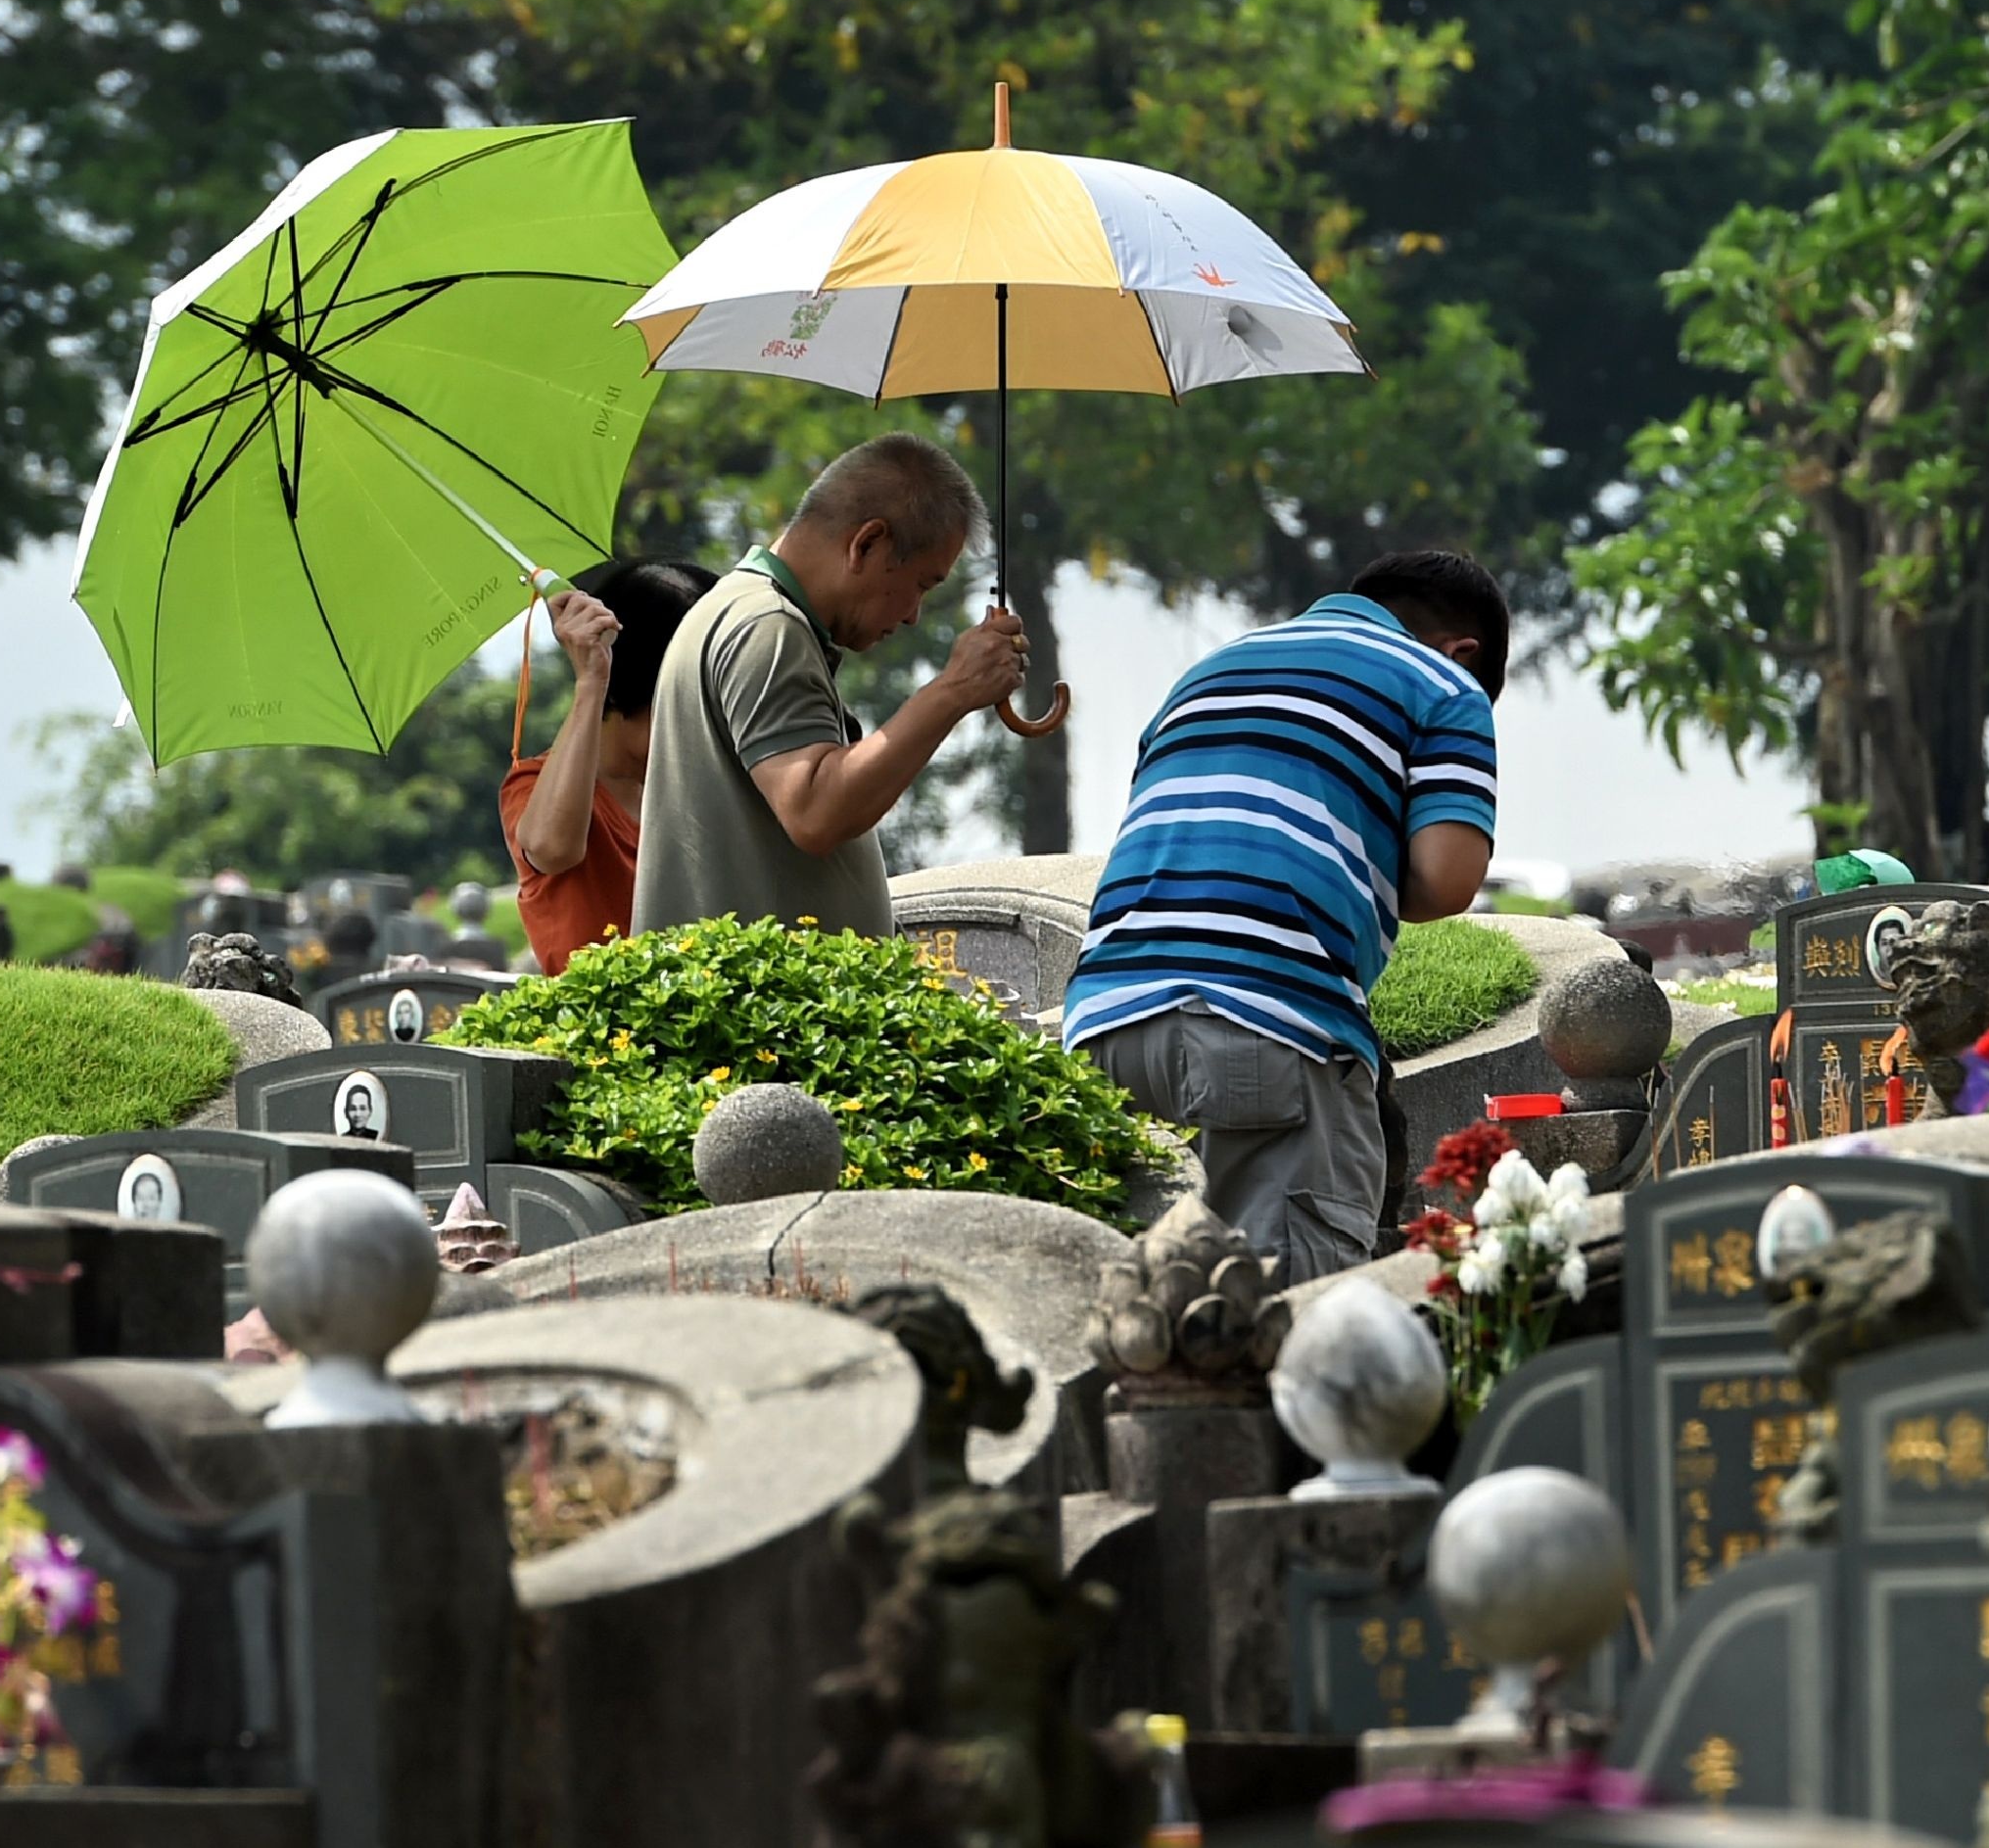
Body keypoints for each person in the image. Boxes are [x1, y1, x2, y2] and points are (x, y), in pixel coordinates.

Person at [1063, 551, 1504, 1285]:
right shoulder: (1444, 682)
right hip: (1266, 1023)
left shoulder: (1209, 671)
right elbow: (1446, 879)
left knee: (1140, 1310)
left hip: (1103, 1025)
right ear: (1463, 652)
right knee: (1287, 1313)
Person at [631, 433, 1026, 940]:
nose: (914, 615)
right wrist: (953, 690)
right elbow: (815, 812)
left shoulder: (739, 608)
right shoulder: (768, 627)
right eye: (922, 584)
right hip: (758, 992)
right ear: (867, 544)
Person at [499, 556, 719, 969]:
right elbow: (552, 848)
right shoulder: (532, 785)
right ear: (629, 689)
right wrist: (592, 680)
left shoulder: (696, 791)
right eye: (686, 705)